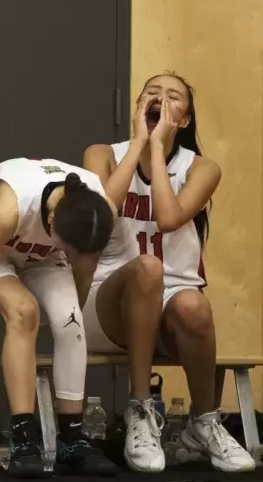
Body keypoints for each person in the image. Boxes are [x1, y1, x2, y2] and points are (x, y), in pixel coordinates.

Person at [81, 72, 255, 473]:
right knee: (146, 268)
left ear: (186, 119)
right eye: (151, 94)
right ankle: (140, 410)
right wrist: (141, 144)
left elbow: (169, 217)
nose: (160, 99)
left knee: (194, 306)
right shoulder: (101, 153)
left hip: (169, 308)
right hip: (108, 302)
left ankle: (205, 422)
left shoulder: (202, 168)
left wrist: (157, 151)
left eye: (173, 96)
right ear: (138, 108)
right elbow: (104, 209)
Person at [0, 157, 119, 477]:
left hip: (41, 252)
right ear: (51, 221)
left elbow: (84, 267)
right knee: (24, 311)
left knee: (69, 318)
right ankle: (23, 438)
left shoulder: (99, 210)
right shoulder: (13, 207)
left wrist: (69, 324)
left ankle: (72, 440)